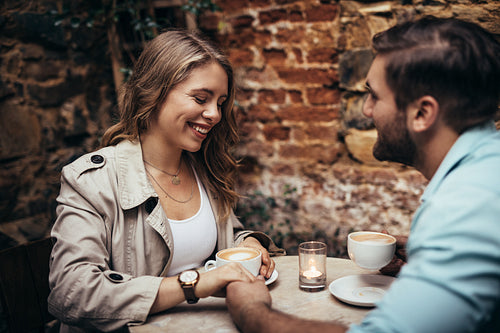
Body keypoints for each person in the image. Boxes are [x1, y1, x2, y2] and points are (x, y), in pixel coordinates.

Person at [226, 16, 500, 333]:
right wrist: (429, 261)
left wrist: (251, 311)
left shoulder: (465, 207)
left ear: (422, 113)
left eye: (375, 95)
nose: (367, 110)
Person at [48, 29, 283, 332]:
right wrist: (193, 285)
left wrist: (246, 242)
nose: (214, 114)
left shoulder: (203, 168)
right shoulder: (91, 181)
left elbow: (220, 239)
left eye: (221, 102)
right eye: (201, 98)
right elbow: (72, 293)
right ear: (154, 93)